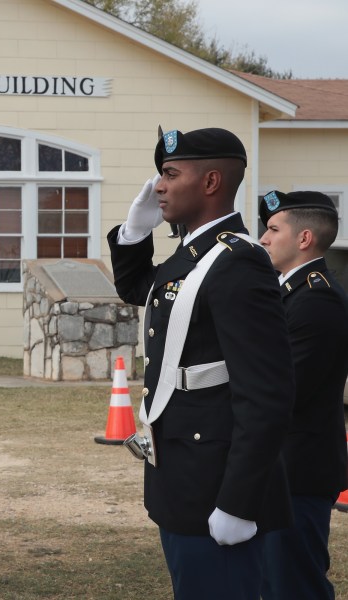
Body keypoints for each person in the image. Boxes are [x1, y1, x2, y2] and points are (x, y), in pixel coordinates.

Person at [107, 128, 294, 599]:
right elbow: (141, 291)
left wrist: (238, 503)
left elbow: (266, 395)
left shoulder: (239, 262)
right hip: (182, 475)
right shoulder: (194, 255)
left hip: (216, 483)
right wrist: (134, 233)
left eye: (170, 174)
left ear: (211, 182)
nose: (159, 187)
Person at [257, 190, 348, 600]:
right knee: (271, 579)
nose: (263, 237)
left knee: (293, 584)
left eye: (273, 229)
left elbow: (284, 388)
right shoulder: (288, 291)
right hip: (278, 466)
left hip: (297, 470)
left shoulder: (316, 298)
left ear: (305, 238)